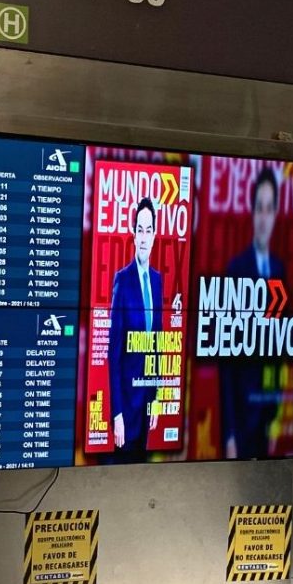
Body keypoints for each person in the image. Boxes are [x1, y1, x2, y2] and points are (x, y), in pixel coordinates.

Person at [221, 166, 286, 459]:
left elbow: (279, 353)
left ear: (275, 214)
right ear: (252, 213)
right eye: (259, 208)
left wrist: (274, 424)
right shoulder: (236, 270)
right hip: (241, 423)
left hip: (265, 421)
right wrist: (230, 433)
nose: (264, 217)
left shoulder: (279, 271)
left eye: (269, 208)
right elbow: (226, 364)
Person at [108, 197, 162, 461]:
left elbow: (158, 346)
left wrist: (156, 398)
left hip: (146, 410)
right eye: (139, 230)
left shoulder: (158, 281)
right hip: (126, 411)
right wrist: (116, 414)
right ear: (133, 234)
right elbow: (113, 354)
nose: (143, 237)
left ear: (154, 234)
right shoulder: (122, 280)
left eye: (148, 229)